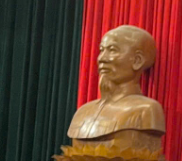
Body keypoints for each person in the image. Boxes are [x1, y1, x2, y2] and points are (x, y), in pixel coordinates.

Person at [67, 25, 165, 154]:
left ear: (137, 61)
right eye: (102, 50)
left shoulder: (146, 110)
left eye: (112, 50)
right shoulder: (83, 112)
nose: (101, 58)